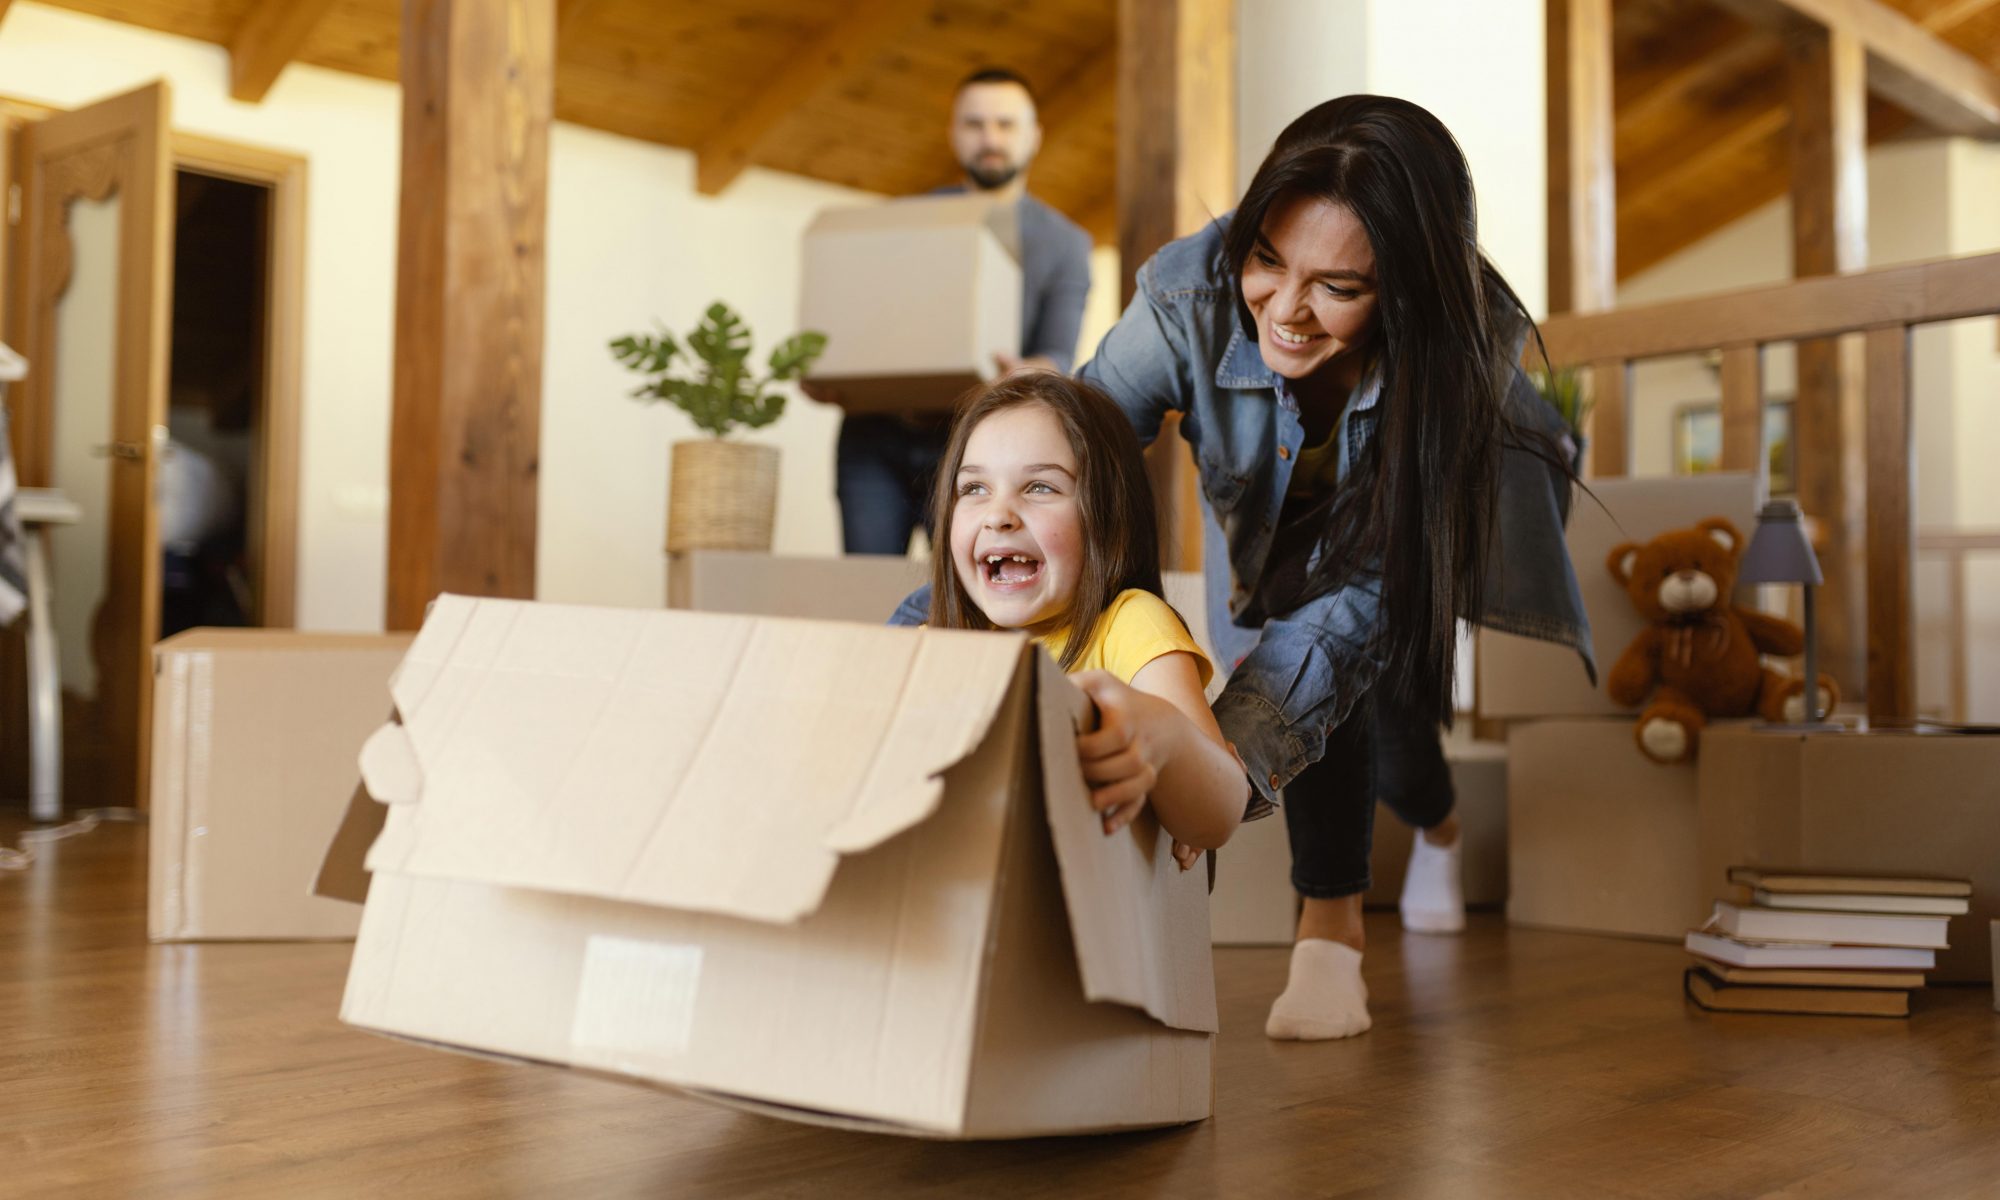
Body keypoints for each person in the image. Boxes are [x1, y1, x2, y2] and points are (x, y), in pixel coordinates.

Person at [894, 95, 1591, 1040]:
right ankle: (1342, 913)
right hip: (1269, 514)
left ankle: (1385, 882)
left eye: (1338, 287)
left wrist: (1202, 766)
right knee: (1293, 654)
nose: (1286, 309)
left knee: (1388, 716)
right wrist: (914, 653)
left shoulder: (1459, 392)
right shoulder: (1186, 298)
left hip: (1404, 522)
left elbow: (1334, 638)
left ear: (1405, 294)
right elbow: (1059, 457)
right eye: (1268, 260)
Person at [926, 372, 1246, 855]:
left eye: (1039, 487)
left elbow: (1219, 813)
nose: (998, 514)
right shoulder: (941, 647)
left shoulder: (1130, 624)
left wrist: (1164, 738)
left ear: (1108, 518)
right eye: (973, 489)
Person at [834, 67, 1094, 556]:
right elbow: (864, 325)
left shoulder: (1065, 244)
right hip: (874, 438)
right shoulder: (900, 223)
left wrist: (1019, 374)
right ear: (954, 134)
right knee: (867, 600)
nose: (990, 138)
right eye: (975, 125)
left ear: (1034, 136)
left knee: (969, 604)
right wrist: (837, 369)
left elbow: (1056, 355)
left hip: (973, 448)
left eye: (1005, 124)